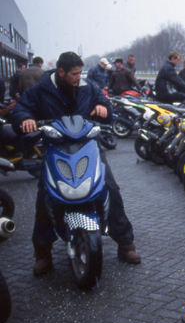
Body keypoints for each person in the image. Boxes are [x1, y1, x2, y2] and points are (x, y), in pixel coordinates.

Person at [9, 51, 141, 276]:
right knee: (44, 196)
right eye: (74, 73)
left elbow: (104, 104)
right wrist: (25, 119)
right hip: (56, 149)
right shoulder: (40, 90)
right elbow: (21, 109)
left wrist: (103, 108)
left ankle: (126, 244)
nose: (79, 77)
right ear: (60, 72)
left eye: (80, 73)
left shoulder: (88, 87)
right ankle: (42, 253)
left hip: (89, 147)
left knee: (110, 188)